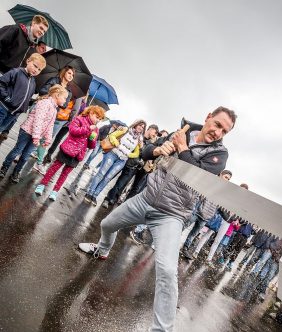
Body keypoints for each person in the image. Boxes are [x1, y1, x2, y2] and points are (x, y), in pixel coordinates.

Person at [78, 106, 237, 332]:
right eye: (217, 125)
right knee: (107, 224)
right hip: (146, 199)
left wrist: (181, 147)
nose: (219, 133)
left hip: (172, 215)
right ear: (208, 117)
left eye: (225, 131)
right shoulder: (183, 131)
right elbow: (145, 152)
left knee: (167, 270)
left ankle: (162, 329)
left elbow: (196, 178)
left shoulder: (219, 155)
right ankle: (102, 250)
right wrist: (158, 149)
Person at [34, 105, 105, 201]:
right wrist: (88, 128)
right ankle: (42, 184)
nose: (98, 120)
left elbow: (91, 146)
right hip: (67, 149)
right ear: (91, 113)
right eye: (97, 117)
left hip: (78, 154)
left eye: (100, 119)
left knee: (65, 174)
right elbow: (73, 131)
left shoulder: (95, 129)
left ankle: (55, 191)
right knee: (54, 168)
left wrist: (93, 138)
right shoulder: (79, 119)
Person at [0, 84, 67, 182]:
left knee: (26, 155)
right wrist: (36, 137)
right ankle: (4, 167)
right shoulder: (45, 103)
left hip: (37, 135)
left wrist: (48, 139)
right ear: (57, 95)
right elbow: (38, 120)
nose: (65, 100)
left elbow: (50, 125)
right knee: (17, 150)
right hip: (27, 131)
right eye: (64, 97)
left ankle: (16, 172)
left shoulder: (54, 109)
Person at [84, 119, 146, 206]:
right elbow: (112, 135)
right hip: (112, 154)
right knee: (101, 173)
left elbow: (136, 154)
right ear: (136, 125)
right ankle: (89, 193)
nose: (141, 128)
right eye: (140, 125)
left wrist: (128, 153)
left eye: (143, 127)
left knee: (107, 178)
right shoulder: (125, 130)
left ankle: (95, 195)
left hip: (122, 160)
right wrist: (117, 144)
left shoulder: (139, 140)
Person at [101, 123, 159, 208]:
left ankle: (109, 199)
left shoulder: (150, 143)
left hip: (132, 165)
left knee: (121, 184)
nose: (155, 134)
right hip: (121, 159)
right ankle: (94, 192)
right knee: (107, 177)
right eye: (155, 132)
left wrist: (142, 147)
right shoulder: (139, 133)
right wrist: (121, 128)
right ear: (150, 129)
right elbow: (128, 130)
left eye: (157, 133)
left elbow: (143, 154)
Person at [181, 169, 233, 258]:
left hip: (206, 217)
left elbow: (220, 207)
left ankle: (185, 248)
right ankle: (169, 240)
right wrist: (194, 206)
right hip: (197, 212)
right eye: (226, 177)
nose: (226, 180)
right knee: (184, 226)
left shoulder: (222, 192)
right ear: (220, 174)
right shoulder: (210, 182)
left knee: (194, 233)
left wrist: (228, 218)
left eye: (228, 179)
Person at [33, 66, 75, 174]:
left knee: (46, 139)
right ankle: (26, 153)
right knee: (33, 133)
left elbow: (65, 105)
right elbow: (42, 90)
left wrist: (59, 100)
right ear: (64, 72)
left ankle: (39, 162)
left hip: (54, 116)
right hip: (43, 110)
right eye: (69, 73)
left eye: (73, 75)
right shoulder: (54, 80)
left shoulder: (69, 90)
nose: (71, 76)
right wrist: (54, 95)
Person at [0, 53, 46, 134]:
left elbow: (26, 97)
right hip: (3, 108)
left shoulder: (33, 82)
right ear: (28, 61)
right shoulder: (16, 72)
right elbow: (1, 83)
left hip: (13, 114)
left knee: (1, 128)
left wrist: (29, 103)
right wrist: (6, 98)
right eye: (35, 66)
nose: (36, 70)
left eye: (39, 69)